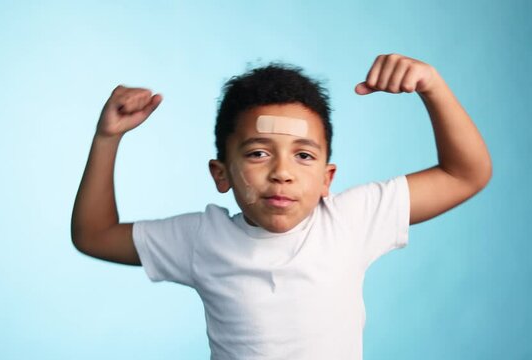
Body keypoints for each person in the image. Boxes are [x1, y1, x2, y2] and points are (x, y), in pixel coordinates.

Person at [71, 54, 492, 359]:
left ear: (328, 178)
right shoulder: (202, 239)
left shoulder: (351, 221)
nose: (282, 173)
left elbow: (465, 174)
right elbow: (94, 235)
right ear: (222, 174)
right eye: (257, 153)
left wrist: (432, 87)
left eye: (304, 156)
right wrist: (107, 139)